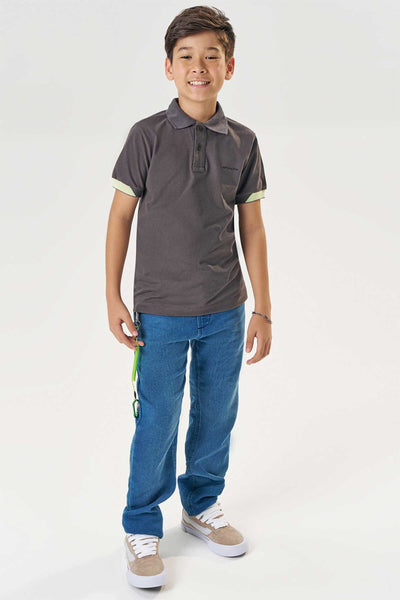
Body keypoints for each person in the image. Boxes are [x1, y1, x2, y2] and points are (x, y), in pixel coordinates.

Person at [105, 5, 272, 590]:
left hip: (226, 308)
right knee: (157, 416)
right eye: (186, 56)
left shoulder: (244, 142)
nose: (199, 66)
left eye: (211, 56)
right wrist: (113, 297)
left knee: (216, 411)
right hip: (160, 311)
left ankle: (201, 505)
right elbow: (120, 217)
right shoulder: (146, 136)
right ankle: (140, 524)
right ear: (169, 68)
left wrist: (263, 307)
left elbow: (252, 228)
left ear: (230, 66)